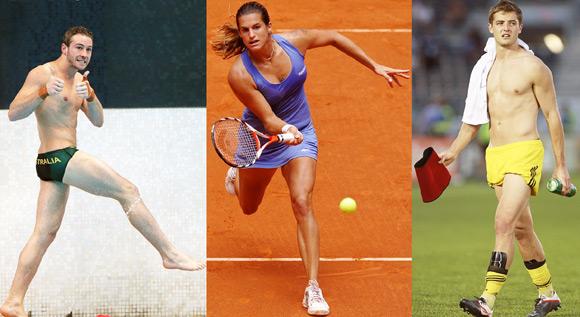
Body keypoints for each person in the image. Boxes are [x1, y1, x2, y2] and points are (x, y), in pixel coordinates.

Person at [210, 2, 409, 316]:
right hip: (263, 137)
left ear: (269, 27)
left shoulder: (295, 42)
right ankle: (237, 173)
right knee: (249, 208)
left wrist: (374, 65)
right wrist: (285, 128)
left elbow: (333, 37)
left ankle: (313, 287)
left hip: (302, 133)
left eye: (256, 27)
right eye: (245, 30)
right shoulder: (239, 74)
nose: (251, 35)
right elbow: (268, 117)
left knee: (301, 200)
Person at [0, 26, 205, 317]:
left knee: (44, 233)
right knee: (127, 190)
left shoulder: (79, 81)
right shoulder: (43, 74)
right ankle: (169, 254)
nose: (84, 54)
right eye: (78, 48)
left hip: (52, 166)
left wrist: (92, 96)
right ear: (64, 48)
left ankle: (12, 301)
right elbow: (13, 112)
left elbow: (97, 121)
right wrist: (44, 91)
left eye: (88, 49)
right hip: (58, 156)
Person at [438, 1, 571, 316]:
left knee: (503, 222)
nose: (506, 28)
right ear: (491, 27)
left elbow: (553, 116)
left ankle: (487, 300)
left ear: (520, 27)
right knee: (522, 229)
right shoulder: (483, 67)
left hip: (525, 152)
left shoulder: (534, 67)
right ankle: (548, 294)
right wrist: (454, 150)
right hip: (495, 154)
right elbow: (472, 120)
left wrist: (562, 167)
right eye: (500, 23)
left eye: (512, 22)